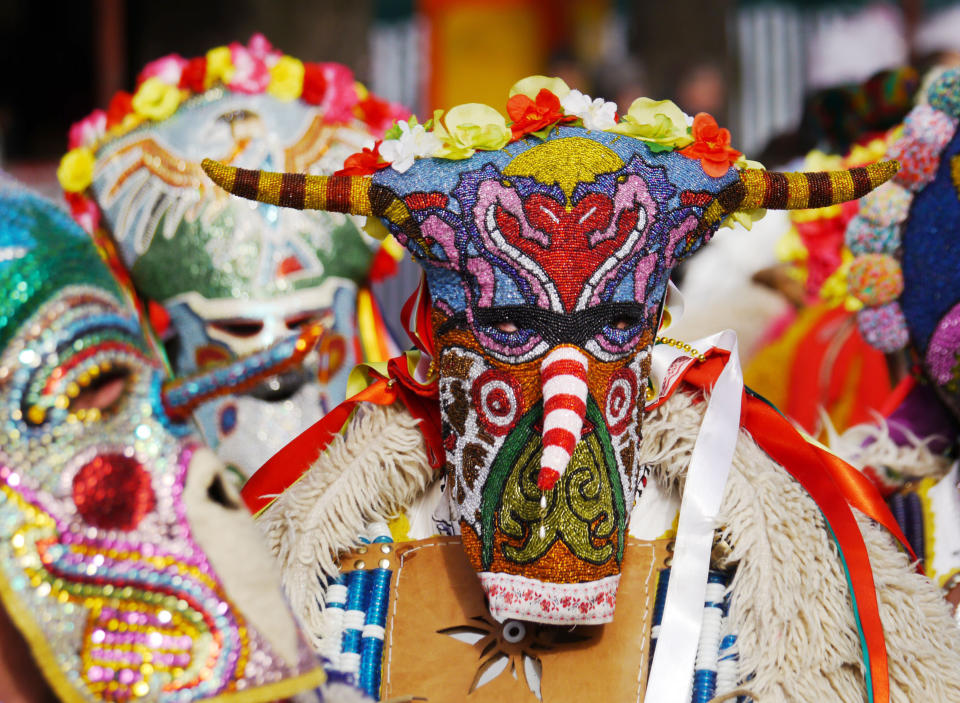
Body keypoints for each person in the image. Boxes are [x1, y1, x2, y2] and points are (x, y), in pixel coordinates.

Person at [205, 77, 960, 701]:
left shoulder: (774, 553)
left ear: (652, 325)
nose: (560, 390)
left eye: (615, 323)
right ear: (440, 331)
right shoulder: (330, 557)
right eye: (508, 323)